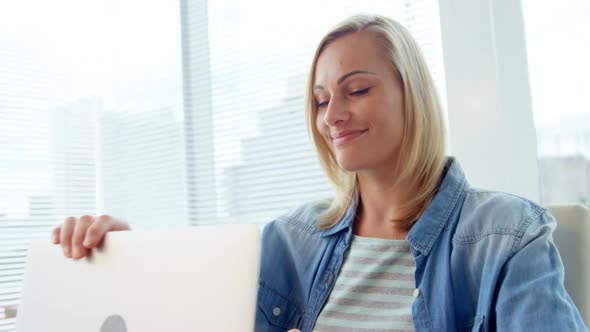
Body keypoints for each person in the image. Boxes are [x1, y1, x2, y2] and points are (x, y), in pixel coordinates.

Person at [52, 14, 587, 332]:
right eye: (320, 99)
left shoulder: (506, 235)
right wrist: (124, 261)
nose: (332, 116)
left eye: (356, 90)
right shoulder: (291, 239)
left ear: (412, 94)